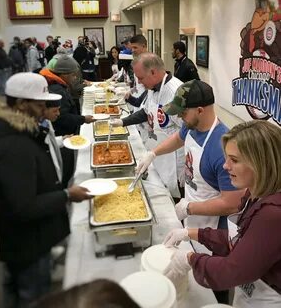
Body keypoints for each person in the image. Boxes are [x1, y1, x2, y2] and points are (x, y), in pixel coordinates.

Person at [0, 72, 92, 307]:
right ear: (21, 104)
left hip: (10, 236)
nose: (45, 110)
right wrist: (66, 195)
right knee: (33, 295)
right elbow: (24, 206)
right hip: (27, 240)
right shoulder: (13, 143)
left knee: (13, 288)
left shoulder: (4, 128)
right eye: (41, 105)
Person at [163, 120, 281, 307]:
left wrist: (189, 259)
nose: (225, 166)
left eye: (234, 160)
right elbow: (241, 240)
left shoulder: (272, 215)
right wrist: (192, 234)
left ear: (261, 163)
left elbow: (230, 271)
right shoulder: (254, 193)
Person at [136, 80, 243, 250]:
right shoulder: (192, 126)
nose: (179, 117)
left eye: (183, 112)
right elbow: (179, 138)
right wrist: (153, 154)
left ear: (200, 110)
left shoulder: (222, 148)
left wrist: (190, 208)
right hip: (192, 214)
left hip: (213, 231)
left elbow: (232, 203)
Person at [111, 53, 184, 199]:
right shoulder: (152, 88)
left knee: (173, 198)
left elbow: (188, 131)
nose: (139, 82)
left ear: (153, 72)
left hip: (173, 160)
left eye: (141, 78)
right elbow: (145, 112)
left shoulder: (176, 92)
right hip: (157, 152)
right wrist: (123, 122)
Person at [40, 55, 95, 187]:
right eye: (72, 75)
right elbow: (61, 117)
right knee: (65, 170)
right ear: (64, 74)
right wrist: (83, 119)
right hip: (63, 138)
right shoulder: (57, 89)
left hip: (62, 138)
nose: (74, 78)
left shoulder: (59, 85)